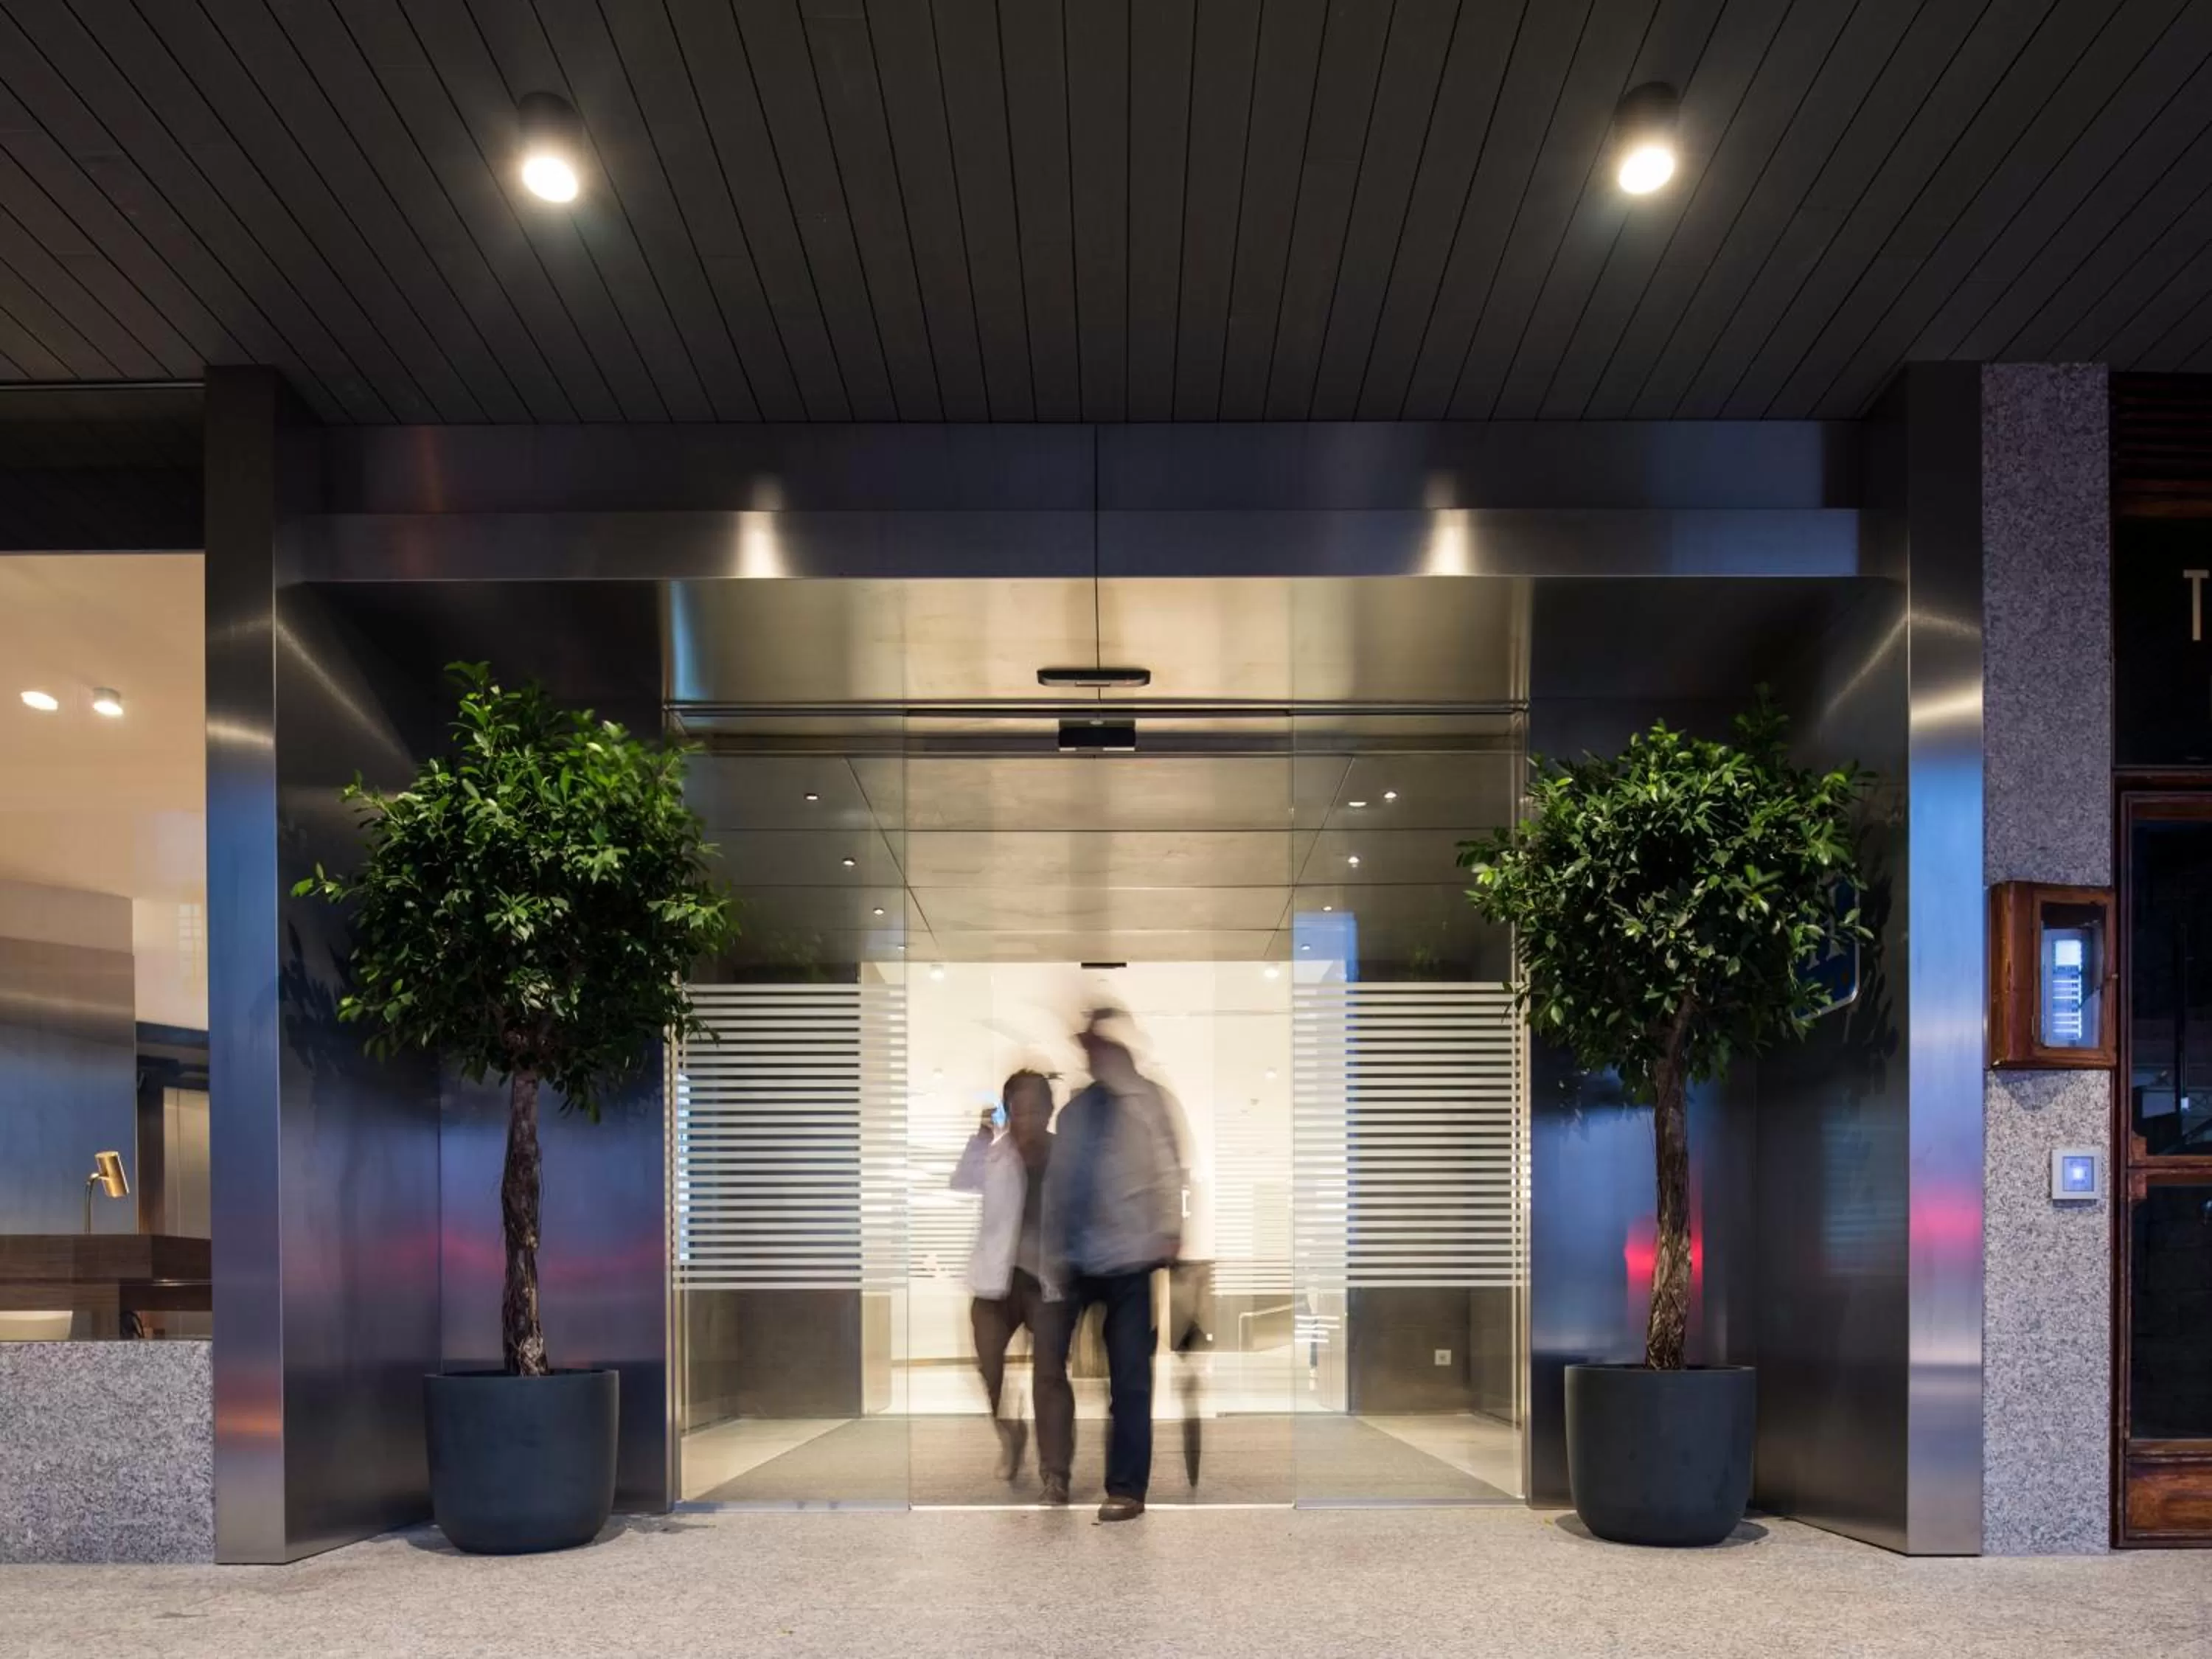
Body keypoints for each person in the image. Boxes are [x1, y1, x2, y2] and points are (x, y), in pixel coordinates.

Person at [1038, 1012, 1188, 1521]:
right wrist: (1052, 1256)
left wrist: (1171, 1231)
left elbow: (1171, 1171)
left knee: (1129, 1379)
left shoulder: (1149, 1102)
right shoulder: (1076, 1112)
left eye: (1101, 1046)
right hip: (1075, 1258)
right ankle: (1055, 1473)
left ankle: (1126, 1489)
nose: (1092, 1054)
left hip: (1130, 1257)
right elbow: (1059, 1184)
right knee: (1049, 1368)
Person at [948, 1068, 1060, 1484]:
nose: (1027, 1119)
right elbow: (962, 1182)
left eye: (1035, 1110)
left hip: (1044, 1282)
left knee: (1049, 1378)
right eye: (1019, 1110)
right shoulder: (994, 1155)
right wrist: (981, 1136)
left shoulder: (1063, 1155)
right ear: (1008, 1112)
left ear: (1049, 1112)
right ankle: (1010, 1433)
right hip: (994, 1281)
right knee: (989, 1370)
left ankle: (1054, 1469)